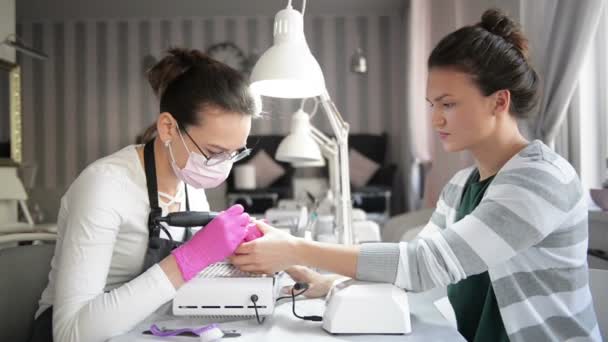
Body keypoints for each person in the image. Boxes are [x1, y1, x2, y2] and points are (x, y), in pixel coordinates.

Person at [230, 9, 601, 342]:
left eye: (449, 104)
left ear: (499, 101)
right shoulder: (460, 188)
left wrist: (297, 249)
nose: (436, 119)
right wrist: (328, 284)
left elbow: (424, 265)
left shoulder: (540, 179)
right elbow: (412, 269)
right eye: (432, 104)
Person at [29, 48, 261, 342]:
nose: (224, 166)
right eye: (215, 152)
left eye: (234, 153)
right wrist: (189, 259)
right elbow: (70, 333)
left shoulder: (191, 185)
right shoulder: (104, 186)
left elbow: (180, 286)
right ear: (168, 128)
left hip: (145, 328)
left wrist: (232, 256)